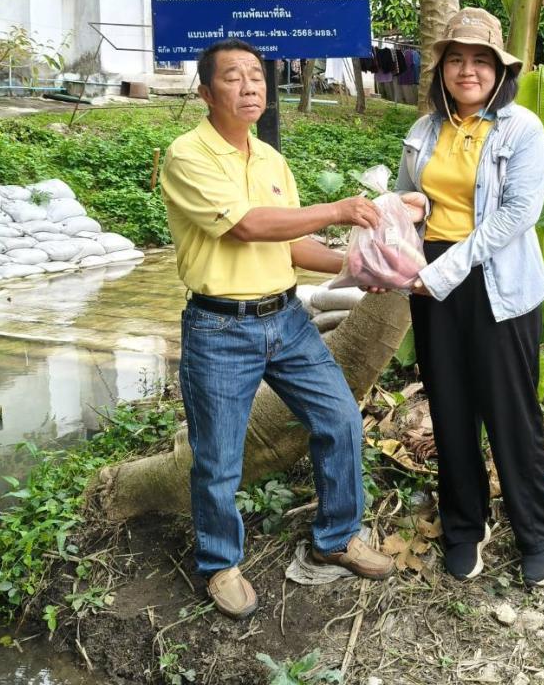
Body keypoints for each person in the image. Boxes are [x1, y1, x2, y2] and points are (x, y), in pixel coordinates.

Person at [160, 39, 396, 619]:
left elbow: (290, 241)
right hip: (220, 328)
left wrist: (361, 268)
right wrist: (338, 210)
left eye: (257, 77)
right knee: (218, 456)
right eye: (233, 77)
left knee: (340, 419)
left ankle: (337, 537)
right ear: (205, 91)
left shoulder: (271, 159)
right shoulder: (186, 155)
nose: (250, 87)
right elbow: (247, 226)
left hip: (286, 319)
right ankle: (220, 564)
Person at [394, 7, 544, 586]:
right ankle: (465, 525)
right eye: (456, 59)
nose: (467, 70)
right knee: (449, 409)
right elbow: (406, 198)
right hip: (431, 282)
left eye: (480, 60)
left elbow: (518, 214)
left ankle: (538, 529)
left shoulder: (521, 129)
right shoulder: (423, 131)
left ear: (499, 70)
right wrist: (403, 227)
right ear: (441, 67)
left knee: (509, 411)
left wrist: (445, 269)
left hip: (499, 284)